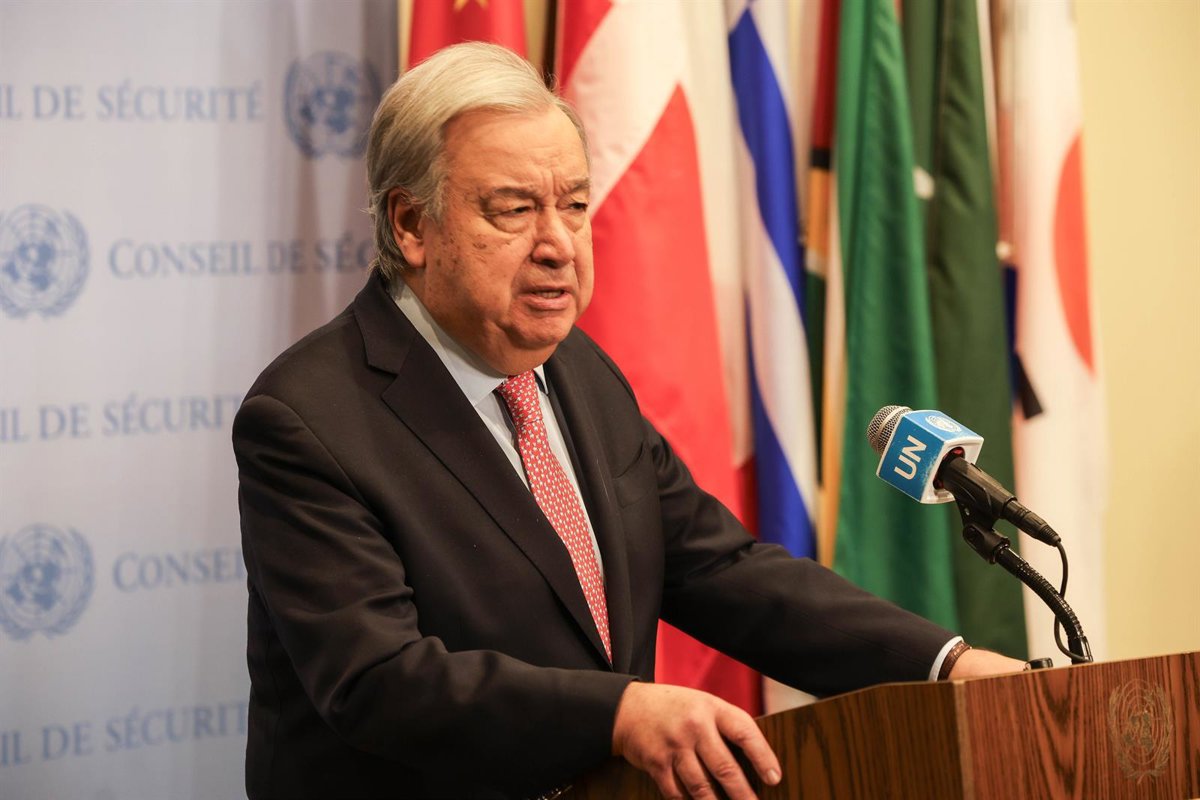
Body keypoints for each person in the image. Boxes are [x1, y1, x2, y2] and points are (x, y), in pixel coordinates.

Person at [233, 42, 1023, 800]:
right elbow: (378, 680)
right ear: (411, 225)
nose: (558, 244)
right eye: (514, 209)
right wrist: (618, 713)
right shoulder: (307, 419)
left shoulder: (577, 369)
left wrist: (944, 664)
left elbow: (716, 569)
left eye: (574, 205)